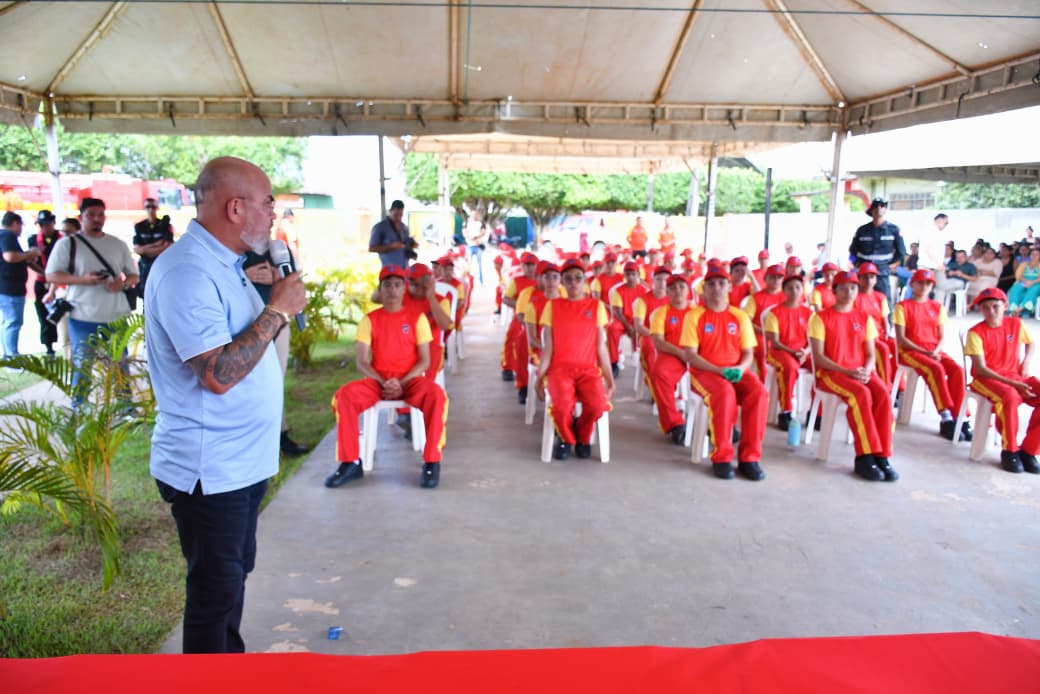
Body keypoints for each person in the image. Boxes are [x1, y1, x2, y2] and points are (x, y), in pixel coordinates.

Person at [145, 156, 308, 653]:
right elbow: (217, 374)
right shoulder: (187, 273)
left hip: (239, 464)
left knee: (231, 583)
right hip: (209, 470)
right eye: (266, 204)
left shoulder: (226, 263)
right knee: (214, 599)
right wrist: (277, 309)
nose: (272, 216)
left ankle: (227, 671)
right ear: (235, 208)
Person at [326, 264, 448, 488]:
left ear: (404, 289)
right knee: (345, 396)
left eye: (397, 285)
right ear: (380, 289)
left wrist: (400, 383)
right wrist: (385, 382)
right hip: (377, 381)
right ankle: (350, 461)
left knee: (436, 396)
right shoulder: (369, 319)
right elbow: (362, 361)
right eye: (388, 285)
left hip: (410, 380)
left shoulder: (417, 318)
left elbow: (425, 360)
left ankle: (431, 462)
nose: (392, 289)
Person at [45, 198, 138, 403]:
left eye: (100, 215)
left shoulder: (117, 244)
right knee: (83, 366)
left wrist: (121, 284)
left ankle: (126, 407)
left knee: (120, 366)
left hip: (116, 316)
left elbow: (133, 275)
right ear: (81, 217)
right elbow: (52, 275)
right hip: (83, 317)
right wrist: (82, 280)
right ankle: (80, 407)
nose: (97, 219)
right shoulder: (68, 244)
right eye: (91, 215)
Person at [808, 271, 898, 482]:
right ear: (835, 291)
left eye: (853, 288)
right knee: (861, 395)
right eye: (844, 288)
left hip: (859, 371)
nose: (849, 292)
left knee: (883, 395)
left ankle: (882, 454)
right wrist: (848, 371)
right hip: (832, 374)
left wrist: (867, 369)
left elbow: (870, 353)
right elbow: (819, 358)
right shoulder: (820, 319)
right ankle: (864, 456)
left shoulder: (863, 318)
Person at [681, 261, 767, 481]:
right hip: (705, 372)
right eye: (712, 284)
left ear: (729, 287)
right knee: (724, 394)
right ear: (704, 289)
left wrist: (739, 369)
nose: (717, 288)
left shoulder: (739, 316)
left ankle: (750, 457)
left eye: (722, 283)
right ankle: (722, 457)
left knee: (758, 393)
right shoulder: (694, 316)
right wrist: (718, 370)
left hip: (736, 371)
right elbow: (691, 355)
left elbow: (748, 353)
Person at [534, 258, 616, 460]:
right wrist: (539, 378)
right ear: (562, 282)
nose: (573, 283)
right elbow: (548, 348)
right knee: (561, 407)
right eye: (568, 279)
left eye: (578, 278)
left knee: (598, 405)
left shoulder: (596, 307)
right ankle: (566, 438)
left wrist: (610, 379)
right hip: (560, 370)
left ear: (584, 281)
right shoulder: (552, 307)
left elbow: (601, 348)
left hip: (588, 370)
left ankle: (583, 434)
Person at [242, 246, 311, 457]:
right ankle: (254, 440)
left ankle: (280, 435)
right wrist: (245, 277)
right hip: (246, 327)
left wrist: (277, 283)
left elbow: (295, 283)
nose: (270, 217)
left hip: (279, 323)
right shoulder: (235, 248)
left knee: (275, 380)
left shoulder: (278, 249)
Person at [964, 288, 1039, 474]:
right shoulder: (975, 332)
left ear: (1005, 306)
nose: (991, 312)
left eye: (996, 307)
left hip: (1015, 375)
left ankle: (1029, 450)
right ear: (980, 310)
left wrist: (1026, 363)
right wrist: (1015, 384)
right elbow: (981, 369)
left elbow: (1031, 343)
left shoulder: (1016, 324)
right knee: (1010, 397)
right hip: (985, 379)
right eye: (986, 308)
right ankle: (1010, 450)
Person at [893, 269, 971, 442]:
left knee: (957, 370)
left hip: (934, 350)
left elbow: (942, 336)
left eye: (928, 283)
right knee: (934, 368)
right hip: (911, 351)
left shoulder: (937, 307)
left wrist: (935, 351)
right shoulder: (903, 307)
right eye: (920, 282)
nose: (924, 286)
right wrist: (925, 352)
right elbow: (902, 339)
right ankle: (946, 415)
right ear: (912, 284)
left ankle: (961, 416)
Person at [647, 274, 694, 444]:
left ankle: (721, 425)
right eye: (673, 288)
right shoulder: (661, 313)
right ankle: (674, 424)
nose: (678, 291)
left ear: (688, 290)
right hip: (673, 354)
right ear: (667, 291)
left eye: (682, 287)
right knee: (658, 373)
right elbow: (658, 342)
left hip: (698, 355)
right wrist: (681, 354)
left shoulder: (697, 311)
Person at [764, 273, 813, 431]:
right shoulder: (775, 313)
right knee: (790, 368)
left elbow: (813, 340)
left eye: (798, 287)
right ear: (783, 291)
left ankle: (816, 412)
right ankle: (786, 411)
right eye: (790, 288)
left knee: (822, 368)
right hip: (780, 351)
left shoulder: (808, 313)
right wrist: (793, 352)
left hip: (803, 352)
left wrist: (805, 351)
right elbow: (776, 342)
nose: (794, 291)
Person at [0, 211, 40, 358]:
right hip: (10, 288)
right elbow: (10, 257)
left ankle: (7, 355)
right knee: (12, 323)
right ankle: (11, 356)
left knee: (8, 323)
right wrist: (29, 254)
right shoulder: (7, 235)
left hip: (7, 287)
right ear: (16, 223)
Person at [849, 197, 905, 300]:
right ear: (871, 209)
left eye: (882, 205)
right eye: (875, 206)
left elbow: (901, 252)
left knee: (884, 300)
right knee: (859, 299)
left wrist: (887, 265)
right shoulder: (862, 230)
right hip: (863, 271)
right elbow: (853, 250)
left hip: (882, 272)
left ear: (885, 209)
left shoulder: (893, 230)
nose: (879, 208)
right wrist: (857, 264)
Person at [854, 263, 897, 391]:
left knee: (897, 348)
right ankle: (886, 387)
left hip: (880, 335)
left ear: (876, 279)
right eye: (865, 277)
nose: (868, 280)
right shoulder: (854, 297)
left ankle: (899, 385)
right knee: (883, 350)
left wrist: (888, 332)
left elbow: (885, 320)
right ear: (859, 278)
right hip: (866, 339)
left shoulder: (880, 297)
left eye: (872, 277)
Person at [27, 210, 62, 355]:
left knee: (65, 313)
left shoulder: (62, 238)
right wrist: (45, 274)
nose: (45, 228)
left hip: (62, 281)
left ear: (53, 223)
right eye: (42, 225)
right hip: (42, 281)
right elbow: (30, 260)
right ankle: (49, 347)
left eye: (47, 224)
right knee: (44, 315)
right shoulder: (33, 240)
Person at [500, 252, 538, 382]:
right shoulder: (517, 281)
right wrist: (522, 305)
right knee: (511, 338)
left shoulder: (542, 281)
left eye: (532, 265)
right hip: (520, 318)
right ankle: (507, 367)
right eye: (526, 265)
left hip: (539, 319)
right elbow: (506, 299)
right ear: (522, 266)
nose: (529, 268)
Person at [631, 266, 672, 382]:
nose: (662, 283)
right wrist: (657, 337)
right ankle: (654, 381)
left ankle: (672, 386)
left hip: (670, 336)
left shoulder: (673, 299)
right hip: (649, 335)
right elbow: (638, 325)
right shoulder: (642, 300)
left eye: (666, 280)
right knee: (650, 347)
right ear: (653, 281)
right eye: (659, 279)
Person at [744, 264, 785, 377]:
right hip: (760, 335)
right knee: (762, 352)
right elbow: (747, 321)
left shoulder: (786, 297)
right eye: (772, 277)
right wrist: (764, 332)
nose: (776, 280)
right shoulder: (756, 297)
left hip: (782, 336)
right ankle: (763, 384)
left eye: (779, 277)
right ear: (765, 278)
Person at [608, 261, 648, 377]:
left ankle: (645, 361)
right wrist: (629, 327)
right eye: (628, 274)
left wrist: (636, 326)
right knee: (612, 329)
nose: (630, 277)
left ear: (638, 275)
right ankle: (614, 362)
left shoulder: (643, 290)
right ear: (624, 275)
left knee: (648, 331)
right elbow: (618, 313)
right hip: (623, 320)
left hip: (638, 319)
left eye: (633, 274)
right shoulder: (618, 291)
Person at [133, 197, 175, 300]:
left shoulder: (165, 225)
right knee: (146, 296)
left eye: (153, 207)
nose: (151, 210)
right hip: (145, 267)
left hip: (162, 265)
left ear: (157, 208)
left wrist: (146, 250)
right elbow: (137, 249)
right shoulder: (139, 226)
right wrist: (157, 245)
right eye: (148, 207)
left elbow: (168, 247)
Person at [368, 199, 412, 268]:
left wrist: (411, 245)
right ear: (390, 211)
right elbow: (371, 248)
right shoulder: (380, 227)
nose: (398, 218)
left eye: (400, 215)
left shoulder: (404, 228)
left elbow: (405, 245)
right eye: (396, 215)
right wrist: (391, 247)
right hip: (390, 271)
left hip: (405, 269)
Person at [1007, 247, 1040, 317]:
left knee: (1033, 289)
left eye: (1036, 255)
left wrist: (1031, 282)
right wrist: (1025, 281)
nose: (1034, 256)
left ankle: (1022, 308)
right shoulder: (1024, 264)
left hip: (1036, 282)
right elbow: (1018, 275)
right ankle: (1013, 307)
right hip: (1024, 281)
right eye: (1032, 254)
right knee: (1016, 288)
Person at [464, 210, 488, 285]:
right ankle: (467, 280)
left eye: (475, 214)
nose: (474, 216)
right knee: (468, 264)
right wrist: (469, 238)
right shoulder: (467, 223)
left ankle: (481, 281)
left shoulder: (481, 223)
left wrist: (476, 237)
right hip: (470, 245)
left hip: (478, 246)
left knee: (480, 264)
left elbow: (483, 231)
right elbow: (464, 232)